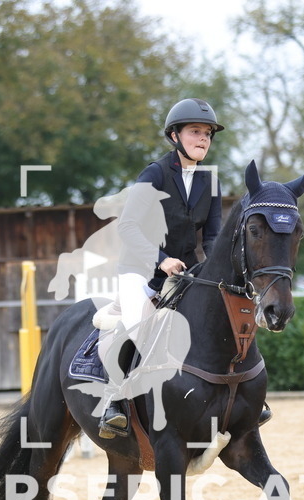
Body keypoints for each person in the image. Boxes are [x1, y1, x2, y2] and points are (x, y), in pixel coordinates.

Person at [99, 97, 225, 438]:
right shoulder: (154, 174)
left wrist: (217, 272)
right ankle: (115, 401)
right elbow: (127, 227)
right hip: (140, 271)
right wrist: (161, 259)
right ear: (174, 137)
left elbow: (212, 237)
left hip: (185, 273)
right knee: (141, 325)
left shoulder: (210, 181)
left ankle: (236, 395)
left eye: (208, 134)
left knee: (220, 317)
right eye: (195, 132)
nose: (203, 139)